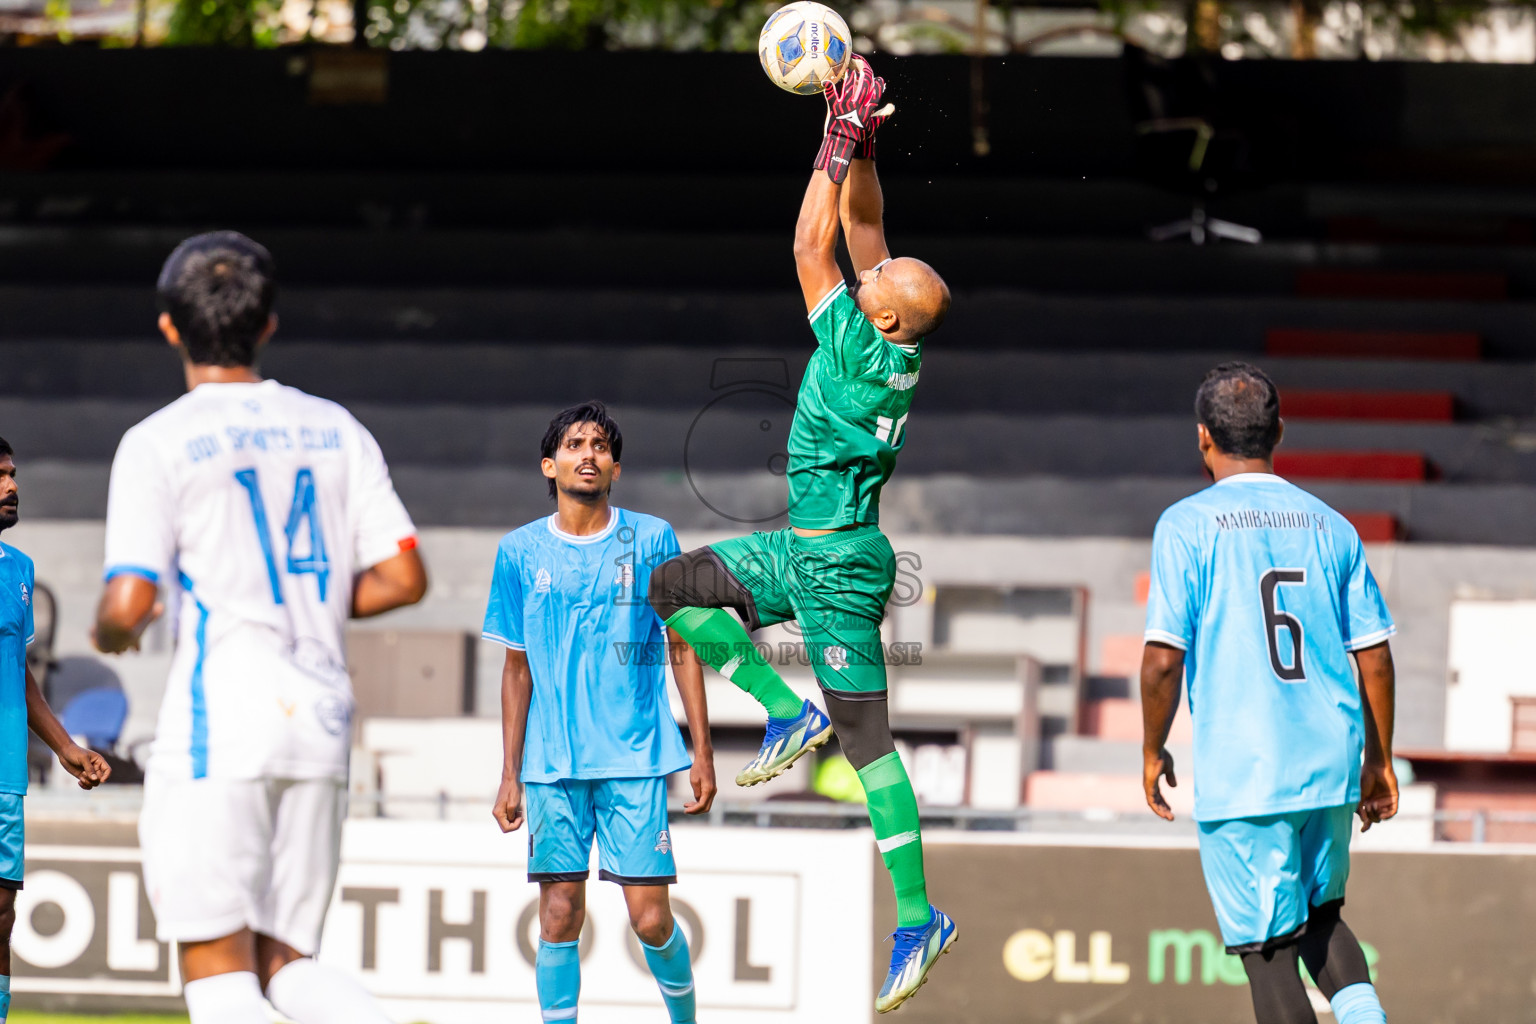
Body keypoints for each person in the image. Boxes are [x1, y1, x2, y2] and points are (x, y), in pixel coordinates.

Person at [648, 57, 956, 1014]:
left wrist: (829, 143)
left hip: (838, 567)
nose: (874, 275)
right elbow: (862, 231)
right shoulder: (890, 333)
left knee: (870, 748)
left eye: (884, 283)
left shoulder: (858, 351)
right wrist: (861, 138)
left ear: (889, 314)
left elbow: (810, 245)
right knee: (675, 587)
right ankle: (787, 712)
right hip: (812, 541)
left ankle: (918, 915)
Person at [92, 231, 428, 1024]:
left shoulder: (157, 441)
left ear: (170, 327)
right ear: (269, 323)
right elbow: (403, 576)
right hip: (317, 718)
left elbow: (129, 603)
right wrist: (297, 603)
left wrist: (113, 632)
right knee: (286, 962)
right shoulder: (335, 427)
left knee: (216, 969)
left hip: (222, 721)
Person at [1141, 362, 1396, 1024]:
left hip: (1248, 772)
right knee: (1323, 921)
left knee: (1267, 952)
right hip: (1330, 763)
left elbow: (1163, 660)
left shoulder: (1185, 525)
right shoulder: (1332, 525)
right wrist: (1379, 759)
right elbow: (1374, 655)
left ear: (1203, 438)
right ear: (1280, 431)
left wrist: (1152, 748)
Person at [487, 401, 717, 1024]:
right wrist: (509, 772)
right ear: (549, 464)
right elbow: (516, 668)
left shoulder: (652, 537)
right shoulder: (518, 552)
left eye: (600, 445)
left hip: (637, 756)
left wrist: (702, 749)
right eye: (573, 444)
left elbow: (683, 645)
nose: (587, 453)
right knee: (559, 913)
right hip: (552, 764)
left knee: (650, 919)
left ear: (616, 467)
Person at [0, 438, 112, 1024]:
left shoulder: (20, 570)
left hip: (5, 772)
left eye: (12, 474)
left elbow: (19, 675)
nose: (11, 486)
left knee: (1, 916)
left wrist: (66, 746)